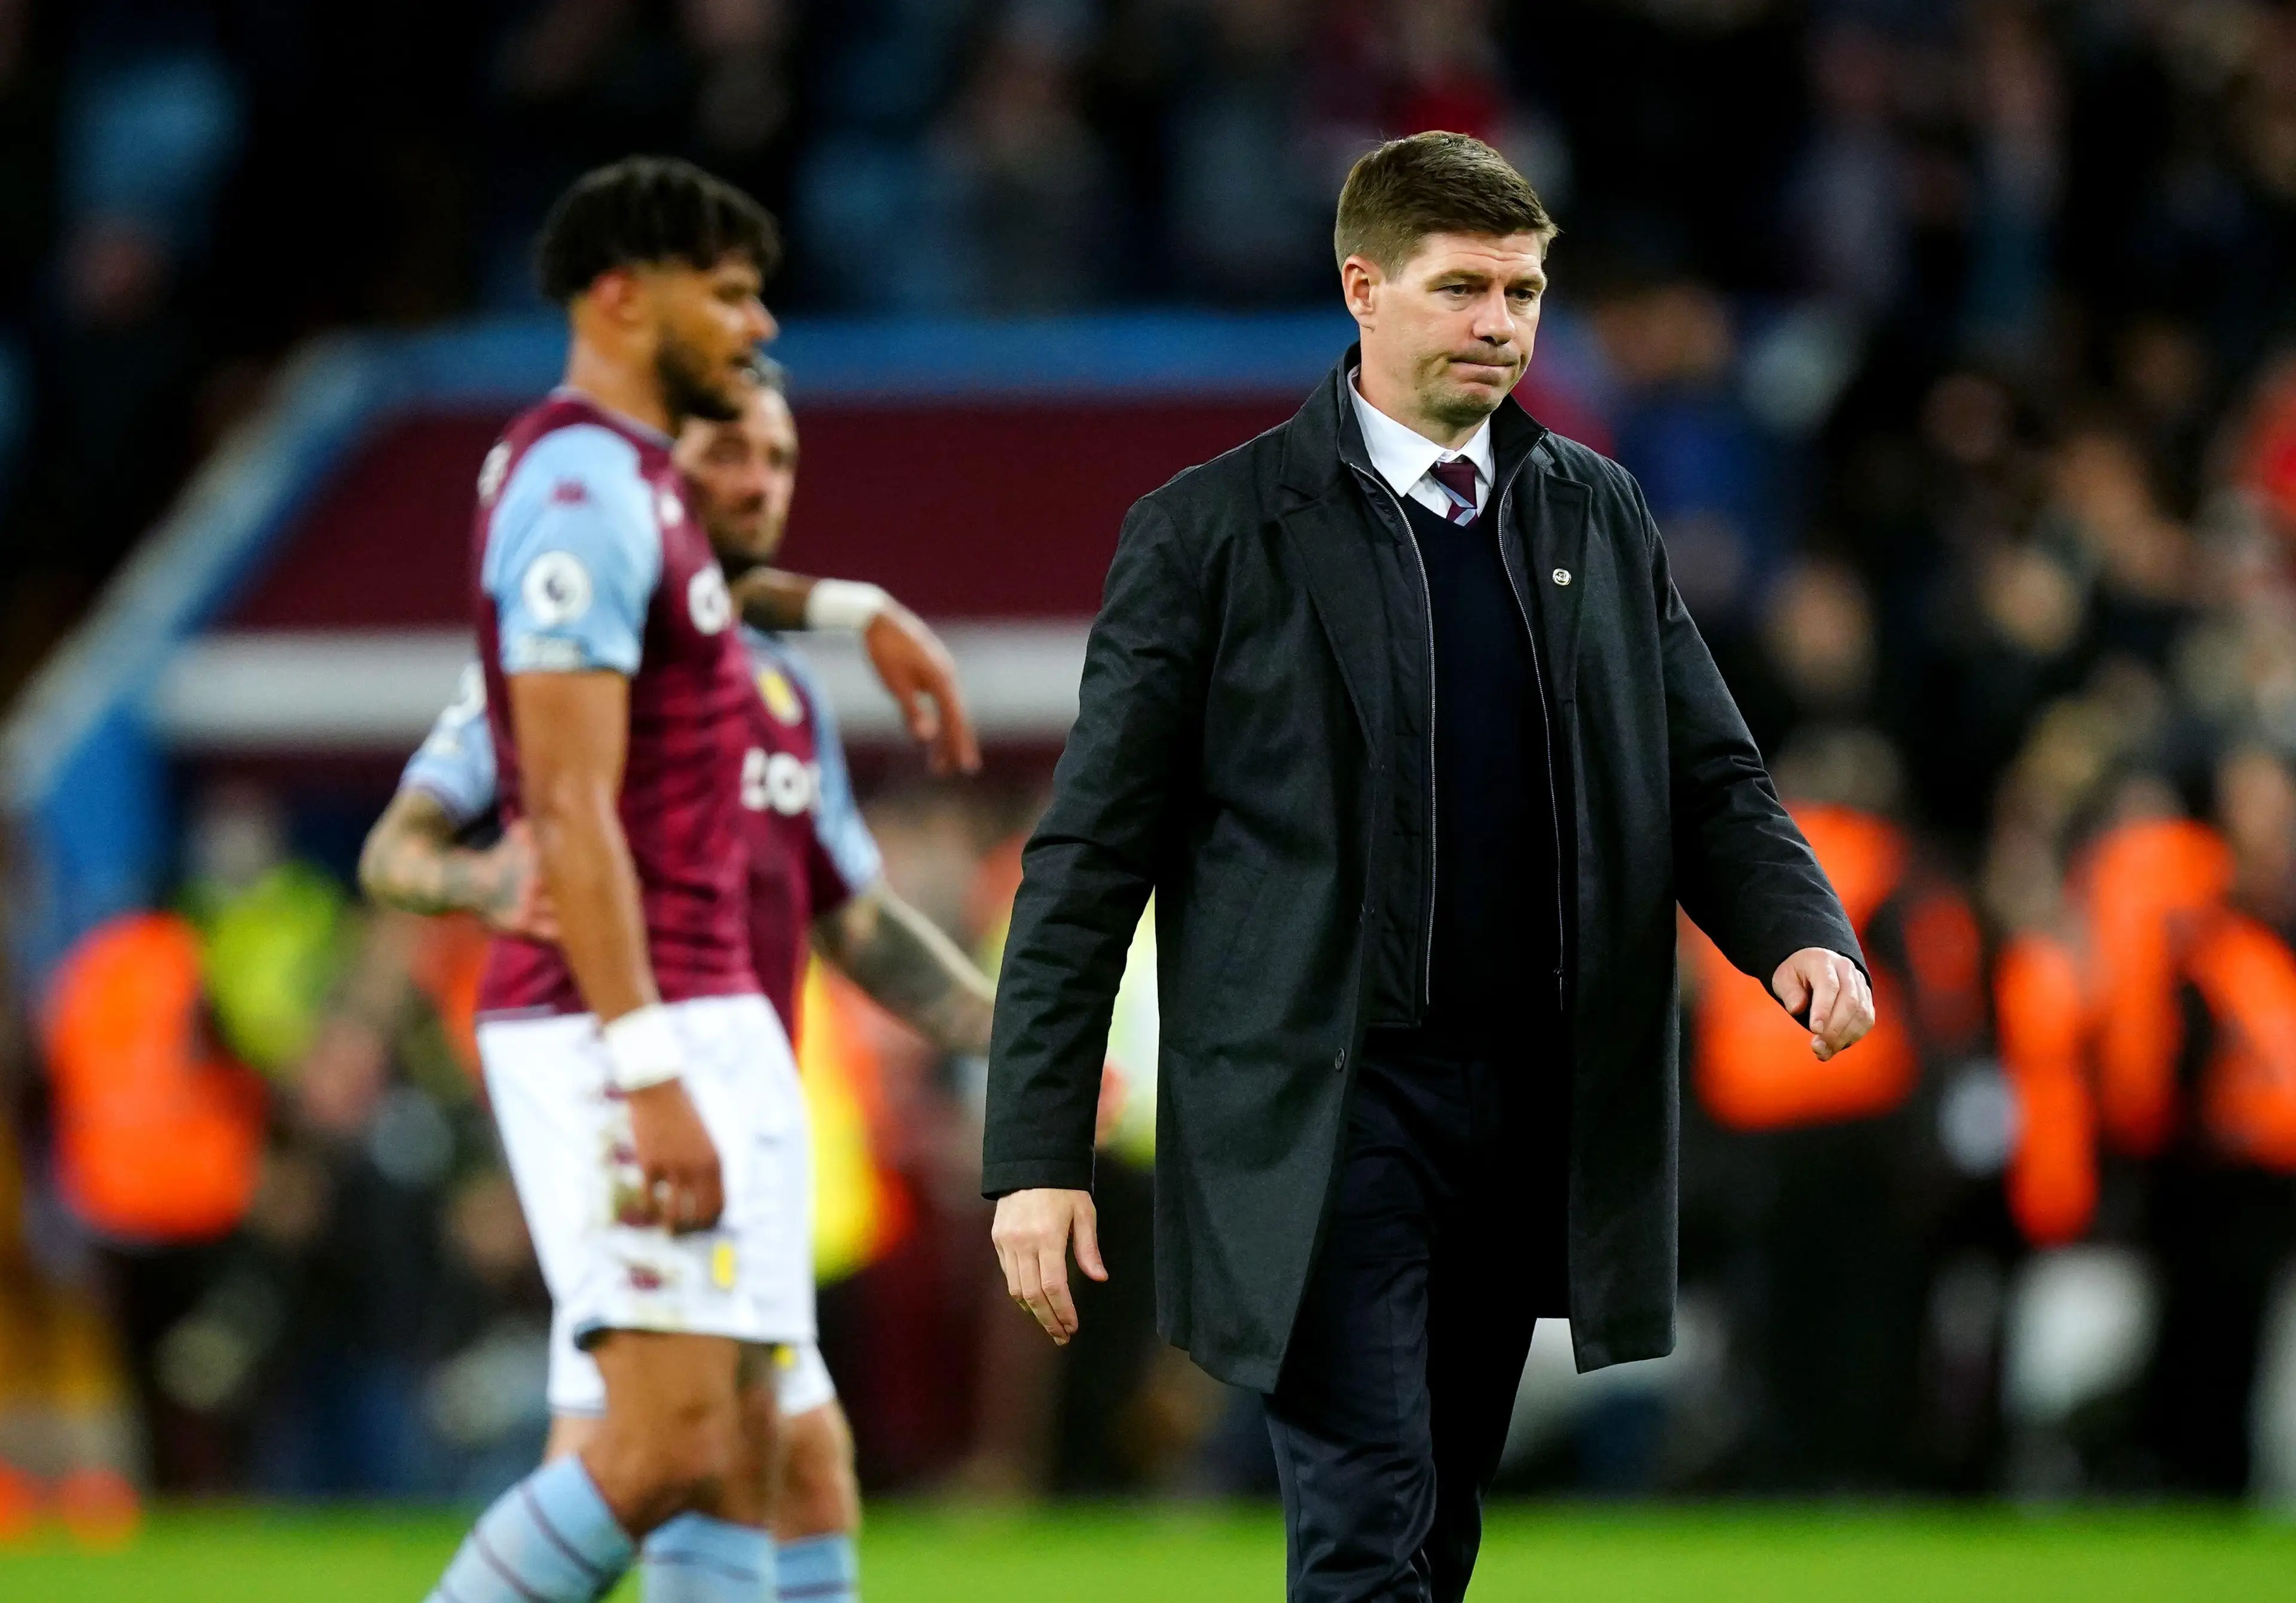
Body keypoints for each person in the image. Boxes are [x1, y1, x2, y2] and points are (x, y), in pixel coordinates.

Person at [983, 132, 1875, 1602]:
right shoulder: (1210, 533)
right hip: (1322, 1100)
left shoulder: (1593, 508)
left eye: (1523, 292)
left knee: (1439, 1515)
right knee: (1367, 1508)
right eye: (1463, 288)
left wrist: (1797, 928)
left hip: (1524, 1097)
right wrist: (1033, 1155)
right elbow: (1087, 859)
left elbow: (1706, 768)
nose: (1501, 325)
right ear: (1363, 290)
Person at [370, 359, 993, 1600]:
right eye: (727, 453)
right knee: (667, 1450)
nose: (758, 481)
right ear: (659, 474)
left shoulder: (783, 695)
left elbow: (856, 920)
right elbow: (399, 849)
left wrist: (1019, 1024)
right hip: (629, 1087)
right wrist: (487, 884)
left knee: (789, 1459)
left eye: (778, 459)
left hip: (733, 1096)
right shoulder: (574, 671)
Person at [412, 154, 799, 1603]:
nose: (759, 325)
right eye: (731, 292)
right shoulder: (580, 486)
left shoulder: (637, 484)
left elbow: (706, 613)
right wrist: (647, 1065)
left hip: (695, 999)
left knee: (750, 1438)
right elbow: (567, 804)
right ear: (623, 295)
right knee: (667, 1442)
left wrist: (855, 607)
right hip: (615, 1014)